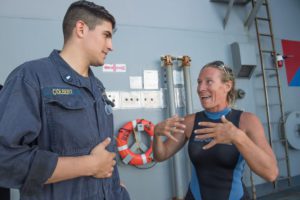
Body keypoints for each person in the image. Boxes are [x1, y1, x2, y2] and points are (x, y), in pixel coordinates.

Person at [0, 1, 130, 200]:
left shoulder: (98, 88)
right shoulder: (30, 77)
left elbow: (106, 156)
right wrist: (89, 165)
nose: (111, 46)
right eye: (106, 35)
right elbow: (5, 159)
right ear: (81, 29)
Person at [153, 60, 278, 200]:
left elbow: (271, 173)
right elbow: (160, 155)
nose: (201, 88)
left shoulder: (247, 121)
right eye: (199, 82)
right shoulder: (190, 122)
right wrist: (156, 135)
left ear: (227, 86)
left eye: (209, 82)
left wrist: (237, 137)